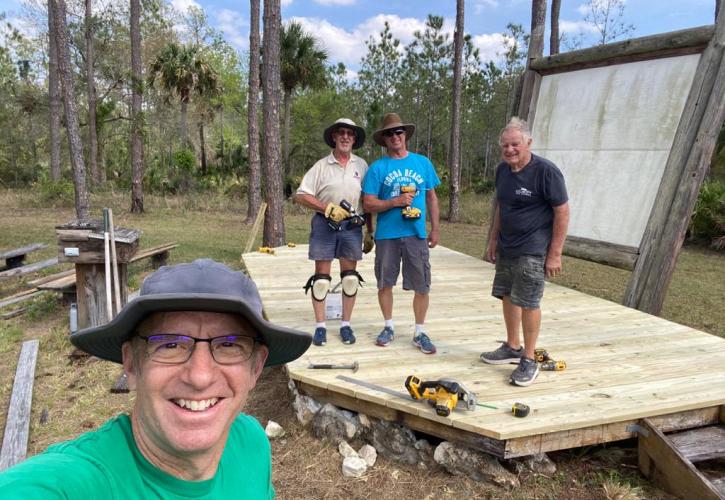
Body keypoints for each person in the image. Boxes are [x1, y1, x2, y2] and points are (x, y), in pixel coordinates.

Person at [0, 259, 311, 498]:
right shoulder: (76, 483)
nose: (200, 376)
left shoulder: (250, 443)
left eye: (229, 345)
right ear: (132, 364)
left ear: (256, 369)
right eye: (170, 344)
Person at [480, 117, 570, 387]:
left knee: (529, 300)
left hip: (533, 248)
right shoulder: (502, 171)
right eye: (505, 145)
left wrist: (555, 253)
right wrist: (493, 239)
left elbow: (562, 211)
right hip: (508, 246)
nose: (509, 150)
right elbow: (501, 207)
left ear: (528, 143)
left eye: (515, 144)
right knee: (508, 294)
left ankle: (529, 359)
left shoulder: (546, 172)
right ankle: (512, 346)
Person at [362, 113, 441, 355]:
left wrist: (435, 228)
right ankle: (388, 327)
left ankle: (419, 331)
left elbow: (431, 196)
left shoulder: (422, 163)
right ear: (384, 140)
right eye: (389, 133)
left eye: (398, 132)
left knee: (422, 284)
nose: (395, 136)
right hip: (387, 234)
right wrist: (394, 202)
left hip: (416, 233)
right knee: (385, 283)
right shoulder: (378, 168)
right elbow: (368, 204)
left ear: (405, 135)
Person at [295, 118, 372, 347]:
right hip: (324, 224)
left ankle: (346, 325)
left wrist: (370, 230)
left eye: (350, 133)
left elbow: (367, 200)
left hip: (352, 226)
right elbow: (300, 195)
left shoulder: (362, 166)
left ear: (354, 139)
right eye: (341, 133)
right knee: (321, 280)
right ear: (335, 137)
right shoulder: (321, 166)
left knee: (350, 279)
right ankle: (320, 327)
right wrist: (325, 207)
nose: (346, 137)